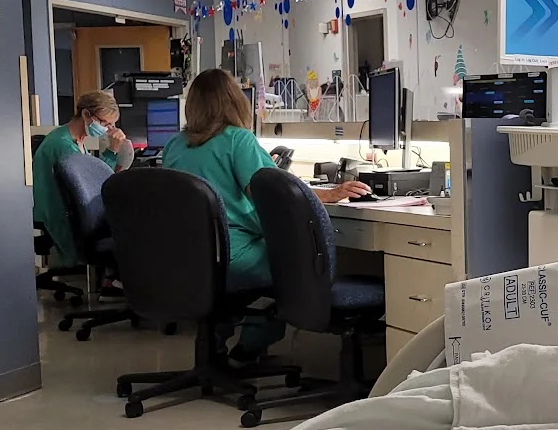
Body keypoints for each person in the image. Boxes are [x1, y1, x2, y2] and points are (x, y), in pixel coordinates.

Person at [163, 69, 368, 360]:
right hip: (231, 256)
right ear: (235, 101)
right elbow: (277, 196)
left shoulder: (174, 145)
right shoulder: (238, 140)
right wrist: (332, 193)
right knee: (298, 264)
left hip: (186, 259)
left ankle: (215, 349)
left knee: (244, 277)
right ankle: (249, 347)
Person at [32, 90, 134, 264]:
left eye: (112, 125)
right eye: (105, 123)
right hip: (59, 215)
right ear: (86, 114)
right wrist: (112, 151)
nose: (108, 130)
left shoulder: (76, 141)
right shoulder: (62, 145)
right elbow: (94, 184)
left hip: (70, 210)